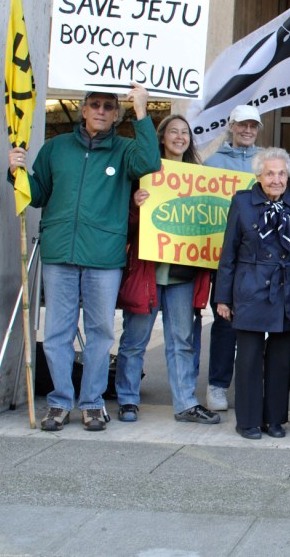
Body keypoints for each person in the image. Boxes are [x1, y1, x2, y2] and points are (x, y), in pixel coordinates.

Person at [7, 84, 160, 431]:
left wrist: (141, 111)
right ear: (83, 109)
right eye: (95, 104)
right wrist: (17, 172)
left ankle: (92, 402)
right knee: (58, 331)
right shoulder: (55, 148)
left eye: (109, 106)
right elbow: (37, 194)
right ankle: (59, 402)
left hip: (103, 255)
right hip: (60, 250)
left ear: (116, 113)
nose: (102, 111)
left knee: (100, 332)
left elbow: (150, 162)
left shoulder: (124, 150)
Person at [115, 115, 220, 424]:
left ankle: (185, 403)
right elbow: (127, 225)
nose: (179, 137)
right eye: (173, 131)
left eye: (184, 132)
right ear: (161, 137)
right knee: (135, 339)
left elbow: (207, 225)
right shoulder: (144, 174)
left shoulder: (200, 177)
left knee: (182, 341)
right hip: (147, 272)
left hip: (182, 276)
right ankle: (127, 399)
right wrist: (135, 205)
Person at [215, 147, 290, 439]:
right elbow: (228, 253)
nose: (276, 179)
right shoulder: (241, 202)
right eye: (270, 173)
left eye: (281, 173)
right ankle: (249, 421)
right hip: (251, 289)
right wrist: (223, 298)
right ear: (258, 176)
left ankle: (275, 420)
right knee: (249, 359)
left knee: (280, 360)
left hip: (286, 289)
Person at [203, 104, 264, 412]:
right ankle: (217, 384)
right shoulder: (213, 162)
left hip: (257, 259)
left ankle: (252, 384)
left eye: (253, 126)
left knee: (257, 324)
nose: (247, 130)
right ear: (231, 126)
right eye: (242, 125)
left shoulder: (265, 161)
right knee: (225, 322)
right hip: (224, 257)